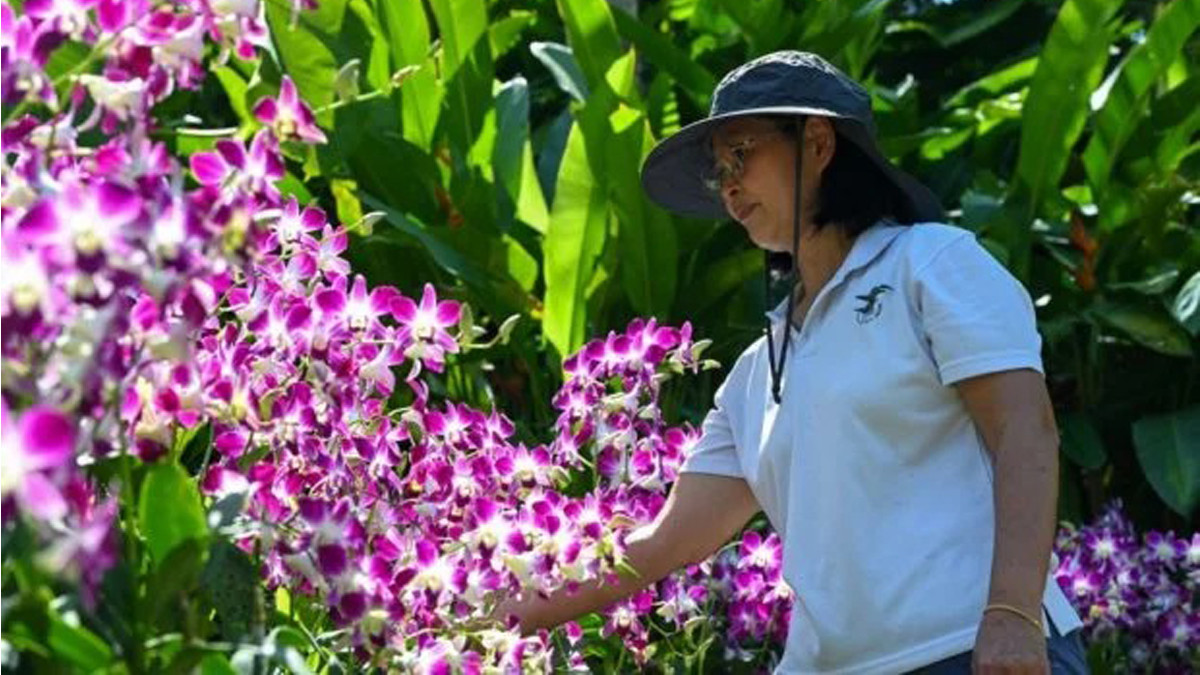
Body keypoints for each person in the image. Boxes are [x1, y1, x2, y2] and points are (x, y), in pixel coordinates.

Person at [499, 51, 1090, 674]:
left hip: (968, 650)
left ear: (816, 141)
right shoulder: (757, 370)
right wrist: (472, 616)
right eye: (717, 170)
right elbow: (662, 543)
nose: (727, 182)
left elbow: (1024, 430)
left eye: (741, 153)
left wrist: (1013, 615)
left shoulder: (932, 265)